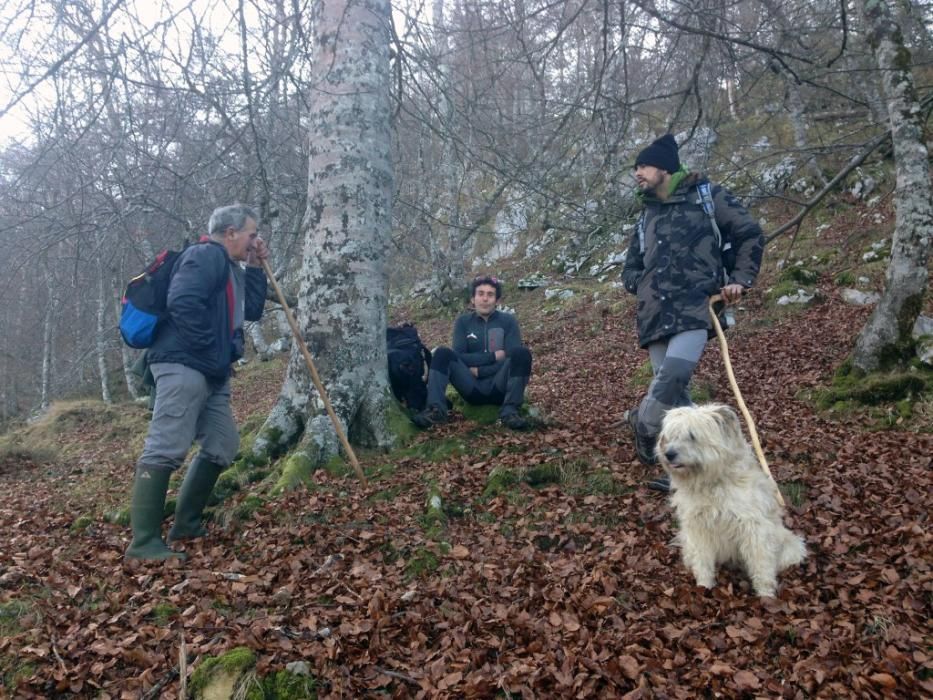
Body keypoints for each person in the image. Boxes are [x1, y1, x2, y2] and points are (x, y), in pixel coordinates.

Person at [125, 204, 269, 560]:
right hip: (182, 364)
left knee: (222, 443)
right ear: (231, 232)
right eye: (251, 234)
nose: (255, 241)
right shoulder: (205, 255)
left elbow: (251, 310)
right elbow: (182, 301)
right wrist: (209, 349)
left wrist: (255, 266)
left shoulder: (231, 266)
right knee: (165, 446)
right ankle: (143, 543)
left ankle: (185, 523)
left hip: (210, 369)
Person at [621, 134, 763, 492]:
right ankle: (689, 476)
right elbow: (630, 269)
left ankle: (643, 421)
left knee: (675, 374)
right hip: (654, 314)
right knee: (676, 397)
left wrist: (740, 280)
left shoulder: (708, 197)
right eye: (635, 168)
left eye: (643, 166)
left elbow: (749, 233)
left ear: (664, 167)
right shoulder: (645, 215)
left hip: (697, 306)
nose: (637, 173)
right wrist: (645, 284)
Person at [413, 275, 533, 431]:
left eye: (490, 295)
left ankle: (510, 412)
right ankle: (436, 411)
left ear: (497, 300)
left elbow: (512, 357)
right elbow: (459, 356)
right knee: (442, 353)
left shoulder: (508, 322)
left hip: (500, 387)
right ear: (472, 299)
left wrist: (481, 370)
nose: (485, 299)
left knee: (522, 353)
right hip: (471, 388)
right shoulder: (463, 322)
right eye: (481, 294)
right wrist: (493, 356)